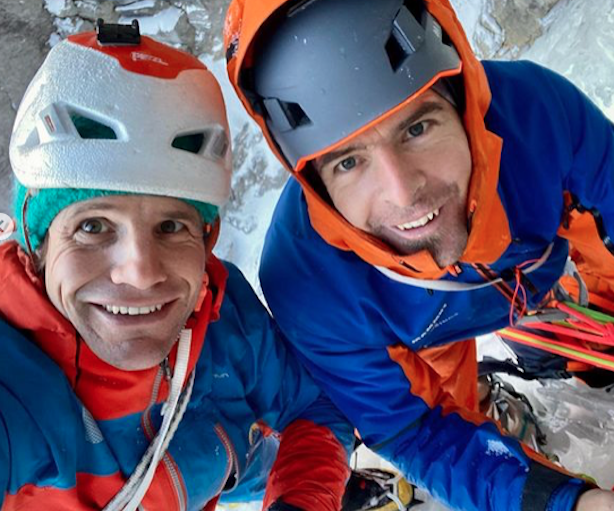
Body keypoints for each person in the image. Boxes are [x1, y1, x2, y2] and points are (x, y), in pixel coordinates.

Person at [223, 0, 614, 509]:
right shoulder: (311, 283)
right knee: (454, 413)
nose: (403, 192)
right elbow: (415, 430)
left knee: (589, 309)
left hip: (527, 262)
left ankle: (569, 357)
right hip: (424, 328)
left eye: (417, 129)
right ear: (314, 183)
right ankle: (501, 412)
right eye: (348, 162)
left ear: (462, 103)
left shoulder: (536, 117)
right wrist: (570, 503)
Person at [0, 22, 354, 511]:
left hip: (237, 467)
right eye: (93, 227)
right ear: (36, 246)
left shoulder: (221, 310)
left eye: (170, 227)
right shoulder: (14, 382)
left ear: (206, 240)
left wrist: (305, 495)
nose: (141, 273)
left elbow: (311, 403)